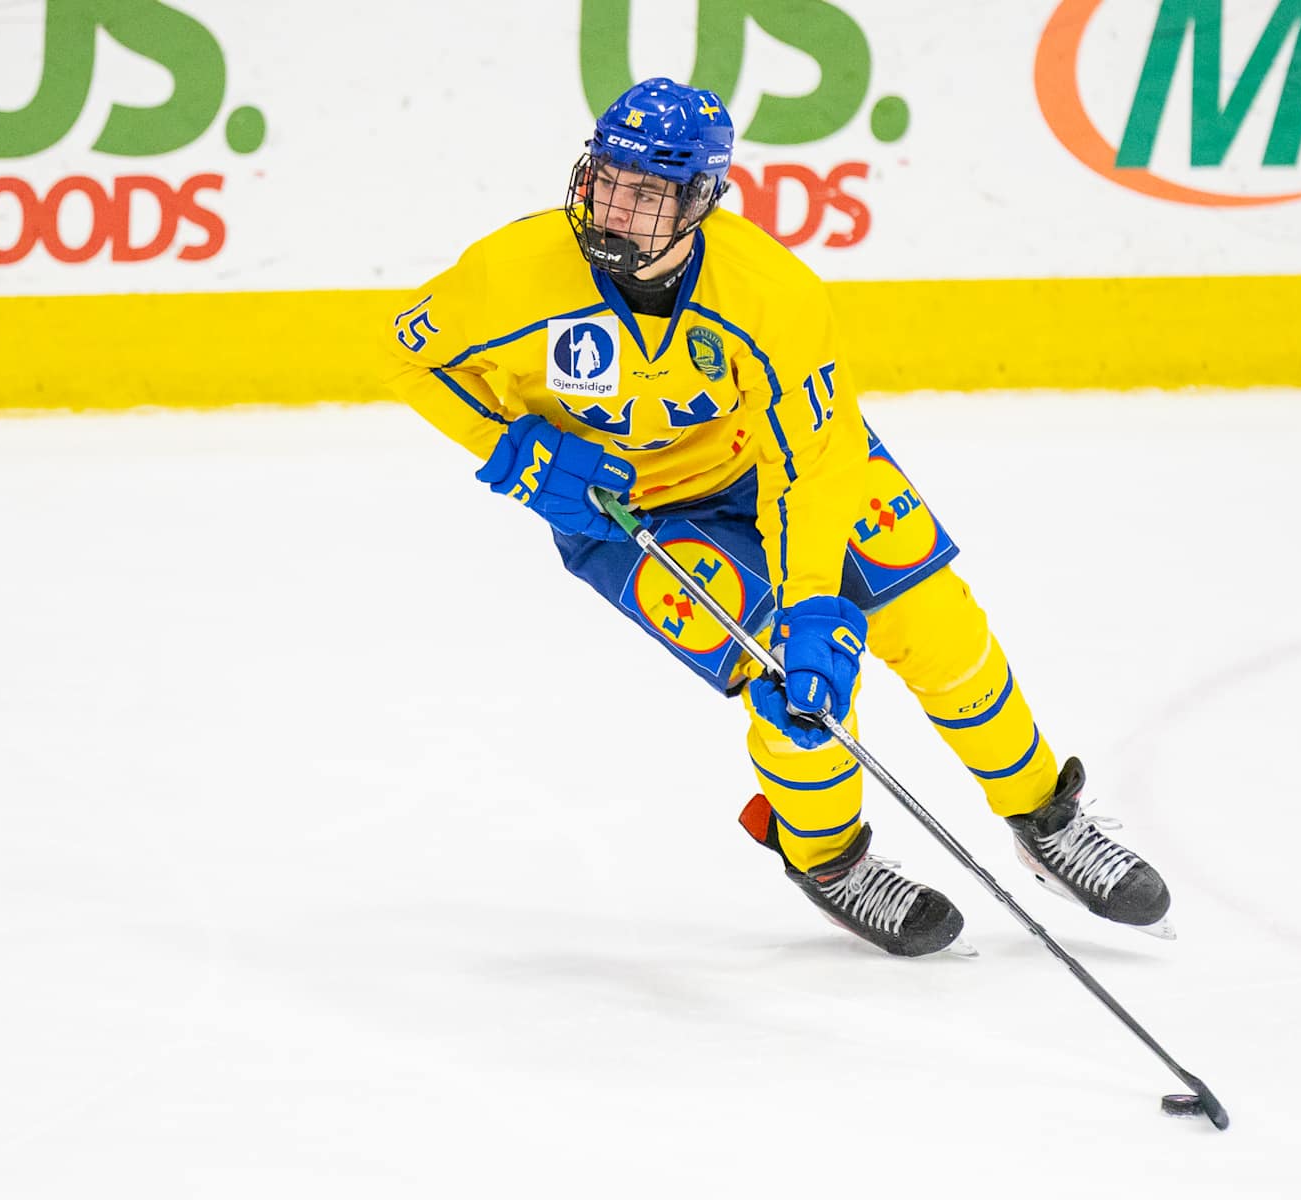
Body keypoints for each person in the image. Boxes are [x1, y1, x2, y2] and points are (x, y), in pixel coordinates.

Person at [378, 78, 1172, 956]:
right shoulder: (512, 273)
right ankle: (830, 861)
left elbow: (811, 469)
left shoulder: (772, 296)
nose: (615, 208)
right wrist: (515, 448)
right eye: (607, 178)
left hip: (783, 474)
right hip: (626, 511)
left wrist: (812, 605)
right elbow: (414, 359)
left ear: (701, 200)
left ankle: (1043, 818)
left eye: (648, 193)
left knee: (932, 625)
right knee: (785, 693)